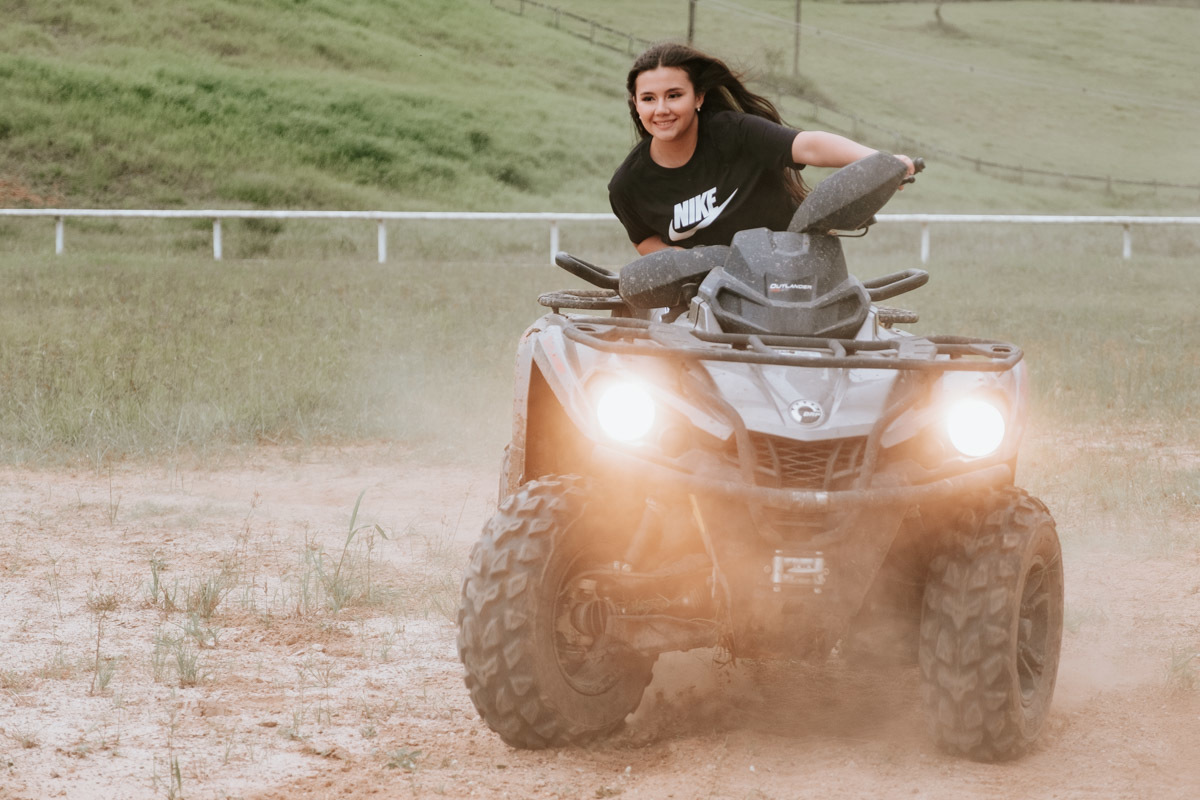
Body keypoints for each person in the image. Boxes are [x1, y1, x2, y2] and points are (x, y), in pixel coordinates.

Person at [609, 43, 915, 255]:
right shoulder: (628, 185)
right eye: (648, 98)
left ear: (698, 98)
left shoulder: (734, 132)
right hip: (706, 299)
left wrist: (881, 162)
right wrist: (678, 262)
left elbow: (807, 145)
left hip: (791, 272)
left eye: (674, 95)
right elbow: (644, 239)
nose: (661, 109)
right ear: (636, 104)